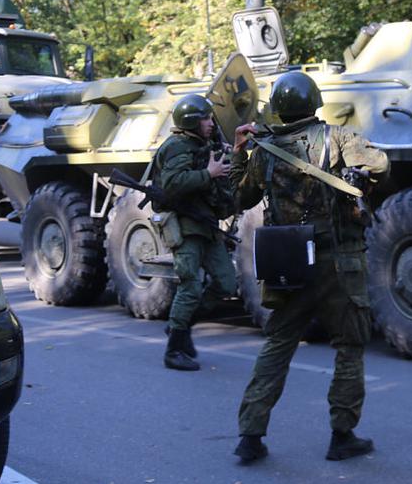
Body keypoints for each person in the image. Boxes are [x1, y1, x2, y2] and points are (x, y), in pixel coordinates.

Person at [229, 71, 389, 464]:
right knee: (348, 346)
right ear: (314, 101)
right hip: (338, 261)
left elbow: (238, 196)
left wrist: (239, 153)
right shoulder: (337, 138)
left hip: (289, 259)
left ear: (279, 110)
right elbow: (380, 164)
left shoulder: (263, 150)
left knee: (278, 345)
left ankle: (250, 436)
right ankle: (342, 435)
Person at [154, 94, 236, 372]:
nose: (211, 123)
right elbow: (172, 183)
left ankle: (181, 323)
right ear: (191, 121)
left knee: (227, 282)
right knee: (189, 285)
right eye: (206, 118)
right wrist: (209, 174)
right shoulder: (177, 147)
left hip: (207, 226)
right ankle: (174, 350)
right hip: (187, 227)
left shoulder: (202, 145)